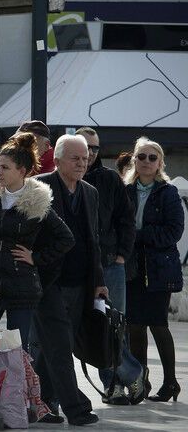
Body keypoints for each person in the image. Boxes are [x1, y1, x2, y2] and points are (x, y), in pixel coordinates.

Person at [0, 133, 74, 351]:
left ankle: (16, 386)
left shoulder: (37, 201)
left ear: (23, 171)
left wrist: (35, 257)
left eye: (5, 168)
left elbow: (66, 238)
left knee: (16, 347)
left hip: (22, 284)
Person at [33, 134, 107, 426]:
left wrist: (99, 280)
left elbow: (94, 240)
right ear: (59, 159)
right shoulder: (39, 186)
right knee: (61, 347)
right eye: (75, 158)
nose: (82, 163)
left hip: (81, 284)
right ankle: (76, 408)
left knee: (51, 350)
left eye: (86, 158)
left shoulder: (90, 192)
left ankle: (36, 401)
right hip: (47, 281)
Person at [76, 127, 142, 404]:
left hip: (110, 264)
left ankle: (114, 384)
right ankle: (129, 374)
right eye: (85, 148)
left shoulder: (111, 179)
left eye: (94, 148)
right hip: (79, 268)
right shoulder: (64, 180)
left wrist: (122, 256)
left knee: (114, 326)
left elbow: (127, 221)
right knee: (93, 328)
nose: (90, 154)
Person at [124, 137, 184, 403]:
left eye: (152, 157)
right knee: (135, 327)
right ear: (134, 160)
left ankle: (170, 382)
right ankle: (141, 381)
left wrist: (138, 235)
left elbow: (174, 232)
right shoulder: (125, 190)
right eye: (141, 157)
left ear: (160, 162)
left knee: (158, 325)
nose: (146, 162)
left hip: (159, 269)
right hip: (132, 267)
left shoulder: (168, 192)